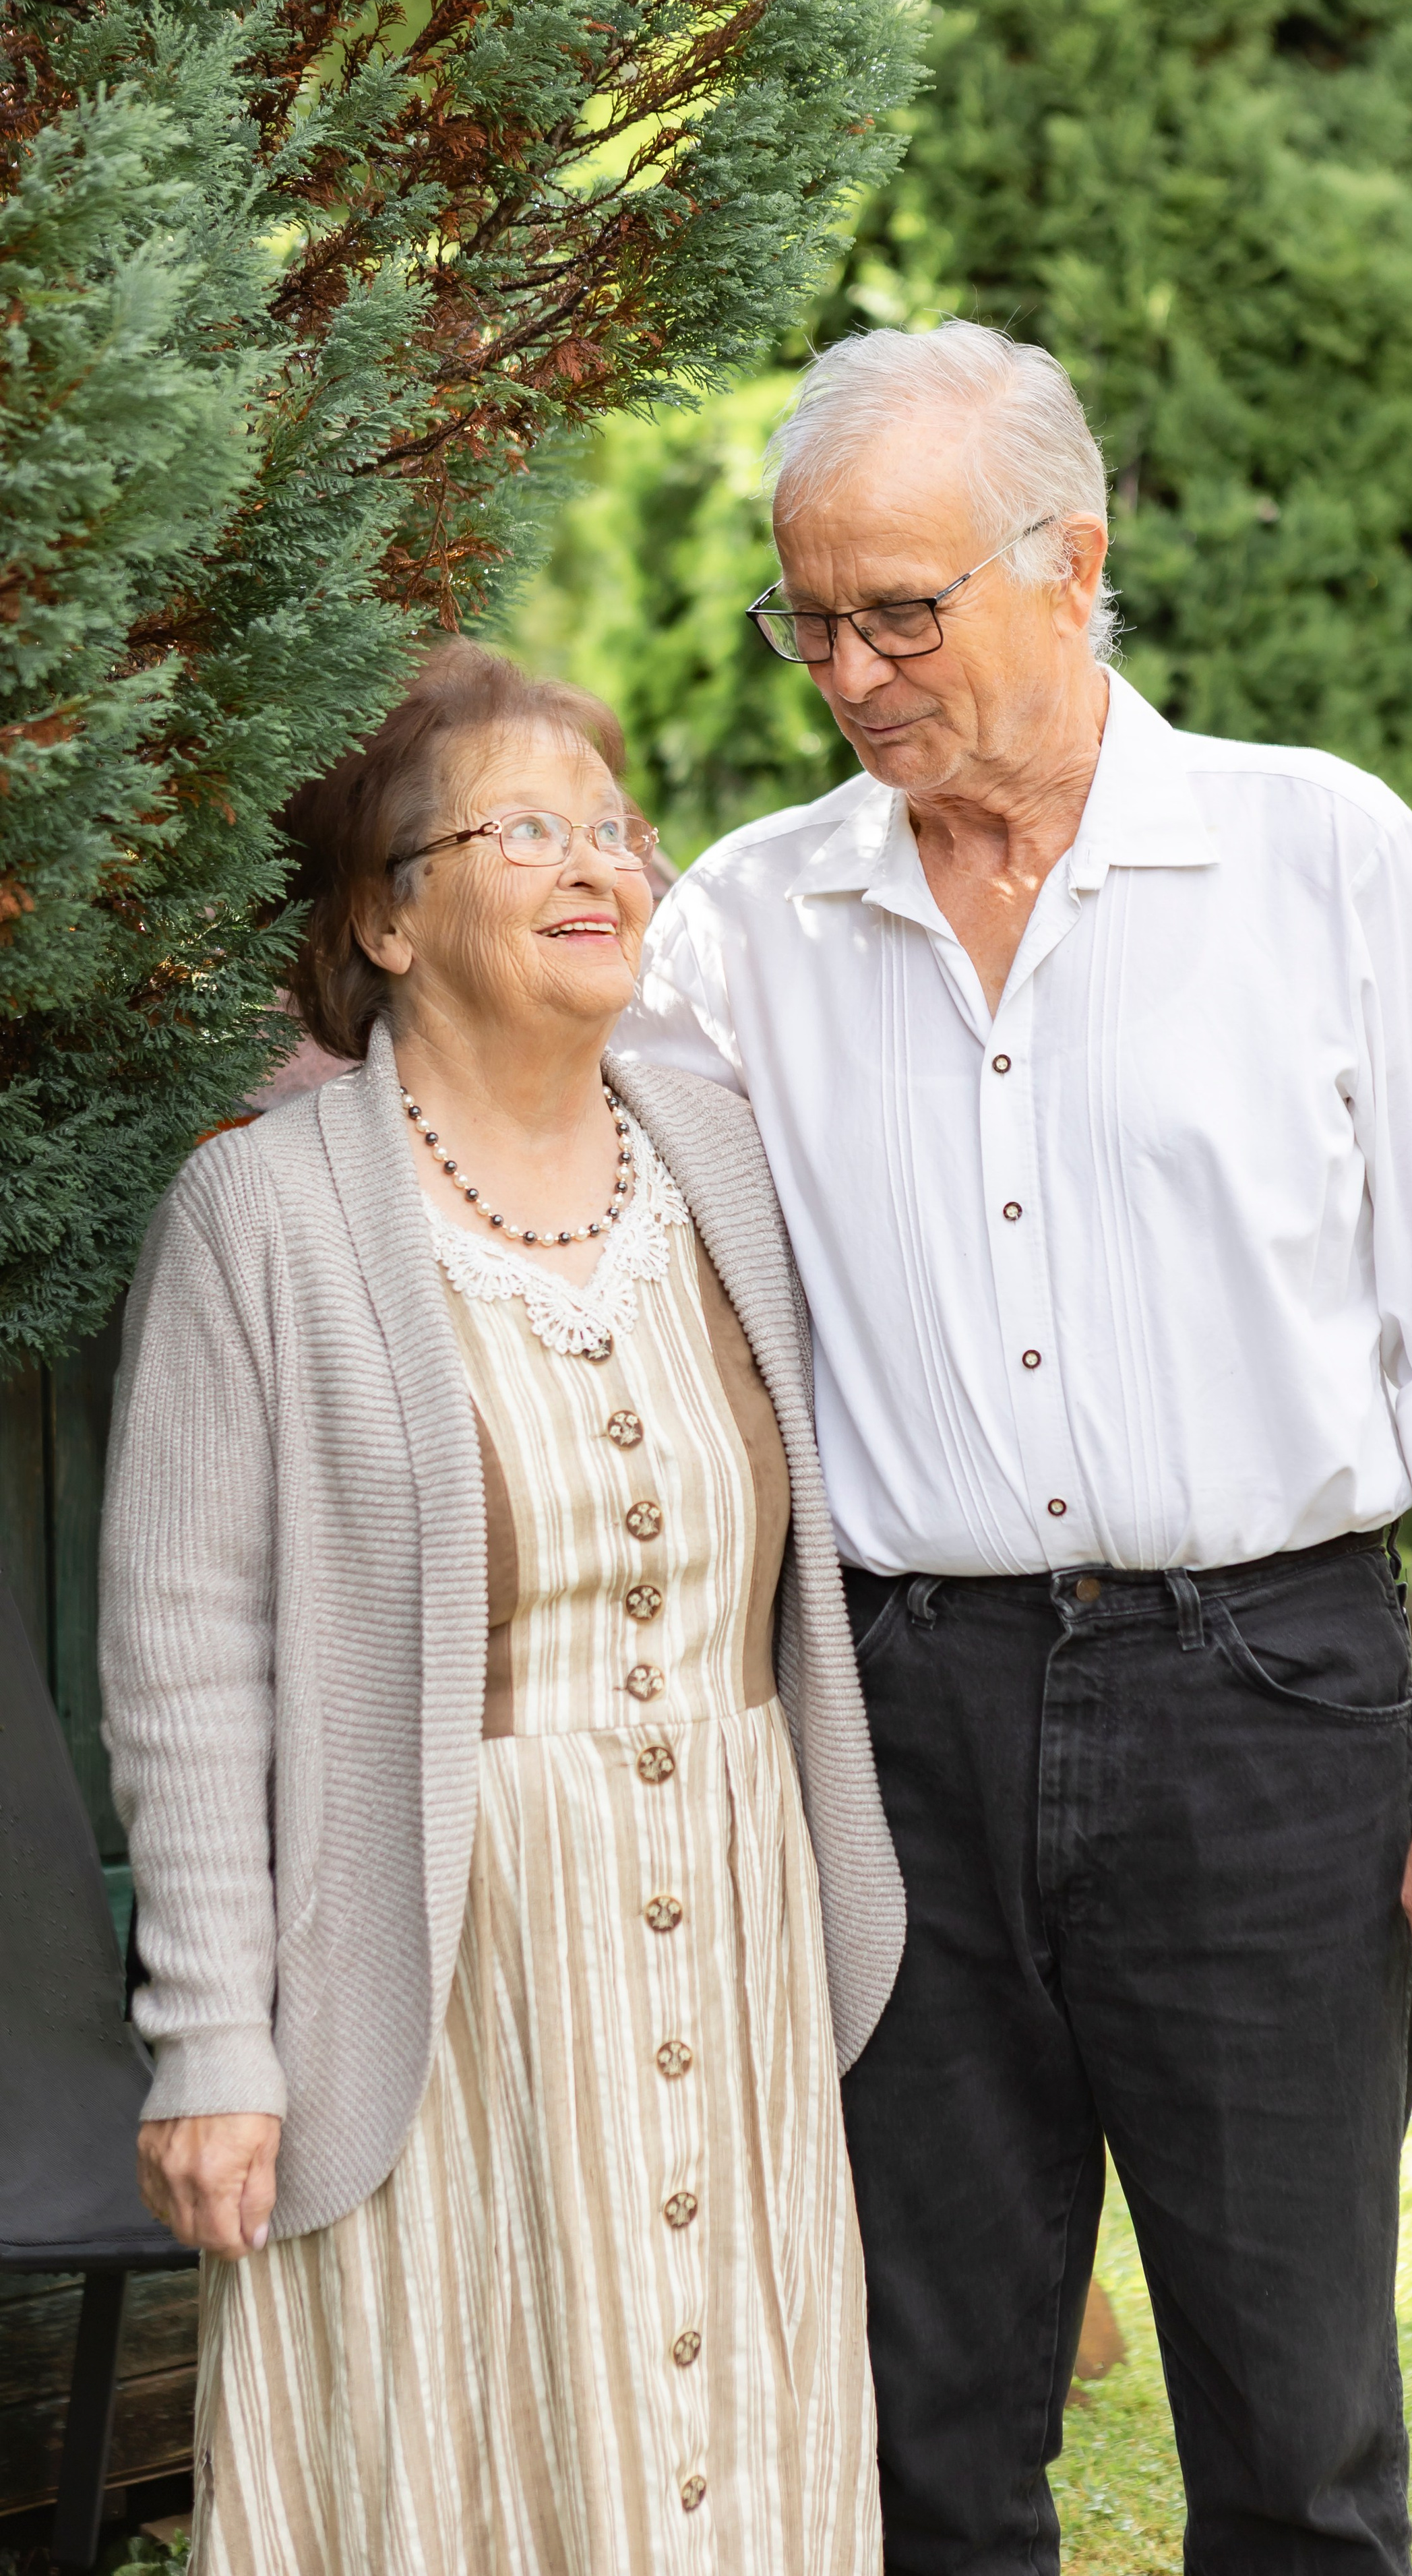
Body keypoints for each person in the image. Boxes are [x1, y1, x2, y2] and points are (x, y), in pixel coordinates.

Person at [617, 320, 1412, 2575]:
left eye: (903, 610)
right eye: (812, 618)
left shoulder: (1324, 856)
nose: (850, 672)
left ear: (1072, 567)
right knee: (928, 2426)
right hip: (905, 1725)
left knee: (1296, 2434)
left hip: (1264, 1712)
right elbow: (540, 1126)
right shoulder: (752, 924)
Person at [100, 639, 902, 2576]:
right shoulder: (265, 1212)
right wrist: (211, 2036)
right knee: (454, 2448)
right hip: (433, 1957)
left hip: (731, 1923)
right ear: (387, 914)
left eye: (618, 832)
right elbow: (184, 1655)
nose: (601, 867)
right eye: (526, 829)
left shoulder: (717, 1163)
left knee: (731, 2436)